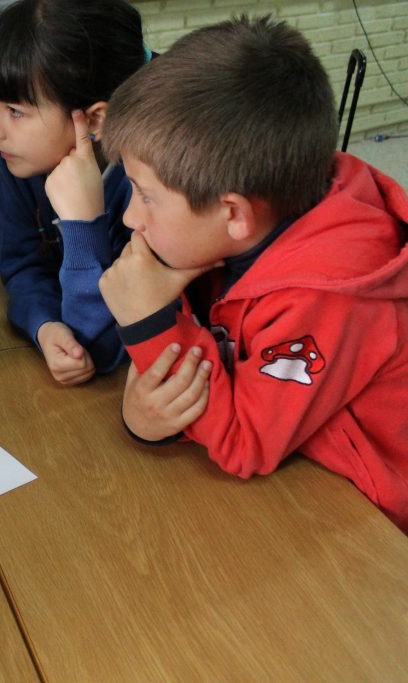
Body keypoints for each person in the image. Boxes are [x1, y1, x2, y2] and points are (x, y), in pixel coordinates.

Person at [98, 16, 408, 530]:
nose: (131, 217)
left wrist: (149, 323)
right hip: (298, 476)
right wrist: (147, 420)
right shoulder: (226, 231)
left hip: (367, 521)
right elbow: (191, 387)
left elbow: (244, 441)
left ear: (234, 213)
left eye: (146, 196)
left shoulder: (331, 294)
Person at [0, 0, 148, 386]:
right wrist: (45, 324)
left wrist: (83, 225)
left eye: (15, 110)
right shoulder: (19, 156)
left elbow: (103, 345)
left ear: (95, 119)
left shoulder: (156, 185)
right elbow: (22, 266)